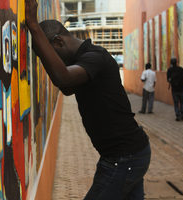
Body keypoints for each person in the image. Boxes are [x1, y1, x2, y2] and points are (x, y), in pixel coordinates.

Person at [25, 0, 151, 199]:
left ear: (58, 42)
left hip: (124, 158)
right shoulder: (84, 61)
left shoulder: (95, 58)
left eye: (49, 53)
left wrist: (33, 26)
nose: (51, 60)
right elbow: (66, 88)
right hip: (130, 154)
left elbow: (63, 77)